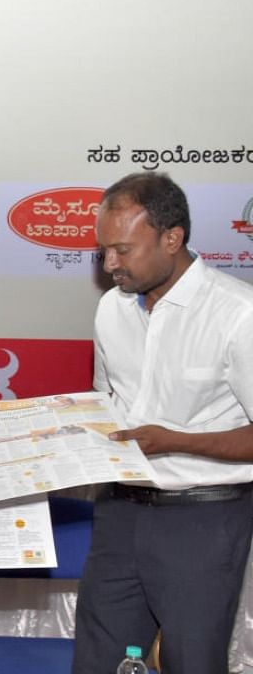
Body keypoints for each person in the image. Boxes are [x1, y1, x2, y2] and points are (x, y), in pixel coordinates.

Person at [72, 172, 253, 673]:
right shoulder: (111, 308)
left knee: (191, 662)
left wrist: (175, 442)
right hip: (119, 514)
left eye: (123, 250)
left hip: (203, 520)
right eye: (103, 251)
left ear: (172, 238)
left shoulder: (239, 314)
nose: (110, 265)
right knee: (97, 662)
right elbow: (106, 401)